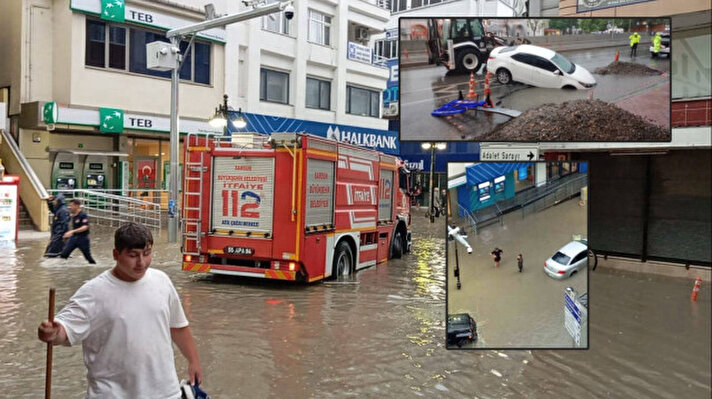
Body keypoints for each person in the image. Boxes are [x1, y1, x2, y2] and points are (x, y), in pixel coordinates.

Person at [38, 223, 203, 398]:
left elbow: (178, 327)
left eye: (146, 254)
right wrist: (52, 332)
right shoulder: (94, 292)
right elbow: (64, 331)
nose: (141, 262)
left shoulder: (162, 281)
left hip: (165, 392)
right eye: (133, 256)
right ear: (116, 254)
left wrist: (193, 361)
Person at [60, 198, 96, 264]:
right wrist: (67, 235)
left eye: (71, 206)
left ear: (77, 206)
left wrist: (72, 231)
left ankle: (94, 266)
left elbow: (85, 227)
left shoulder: (83, 215)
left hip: (83, 239)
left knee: (88, 258)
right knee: (63, 254)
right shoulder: (73, 215)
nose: (70, 207)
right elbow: (74, 227)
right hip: (73, 238)